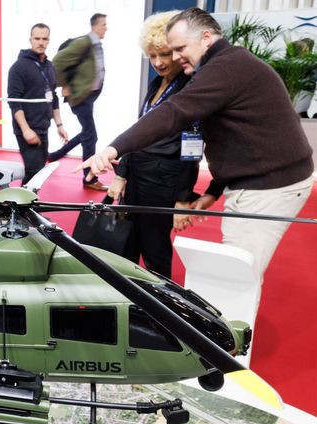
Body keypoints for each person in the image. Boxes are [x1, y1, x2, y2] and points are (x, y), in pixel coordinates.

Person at [77, 7, 314, 278]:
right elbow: (237, 141)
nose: (174, 57)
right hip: (255, 182)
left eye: (178, 49)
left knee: (235, 278)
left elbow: (174, 114)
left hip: (264, 186)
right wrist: (214, 190)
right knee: (233, 274)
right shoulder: (225, 64)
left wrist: (112, 149)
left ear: (206, 38)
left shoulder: (222, 68)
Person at [106, 10, 198, 278]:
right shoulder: (156, 83)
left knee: (155, 249)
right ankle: (128, 296)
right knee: (127, 244)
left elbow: (192, 147)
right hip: (137, 174)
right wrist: (121, 174)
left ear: (178, 52)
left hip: (162, 180)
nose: (158, 62)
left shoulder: (190, 88)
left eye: (164, 54)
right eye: (152, 55)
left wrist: (183, 199)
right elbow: (139, 132)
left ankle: (159, 301)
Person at [49, 13, 108, 192]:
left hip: (88, 97)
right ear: (95, 26)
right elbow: (57, 61)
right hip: (79, 97)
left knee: (87, 133)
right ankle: (89, 178)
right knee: (91, 136)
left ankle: (56, 155)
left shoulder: (96, 44)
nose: (106, 28)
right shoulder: (84, 42)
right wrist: (65, 84)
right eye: (103, 24)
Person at [7, 23, 68, 185]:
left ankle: (25, 200)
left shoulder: (50, 66)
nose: (41, 42)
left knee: (38, 172)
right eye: (37, 38)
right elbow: (14, 101)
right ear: (30, 40)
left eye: (44, 39)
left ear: (49, 41)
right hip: (26, 129)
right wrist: (26, 130)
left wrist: (59, 125)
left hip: (43, 128)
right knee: (34, 172)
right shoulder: (19, 67)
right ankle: (21, 200)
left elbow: (53, 97)